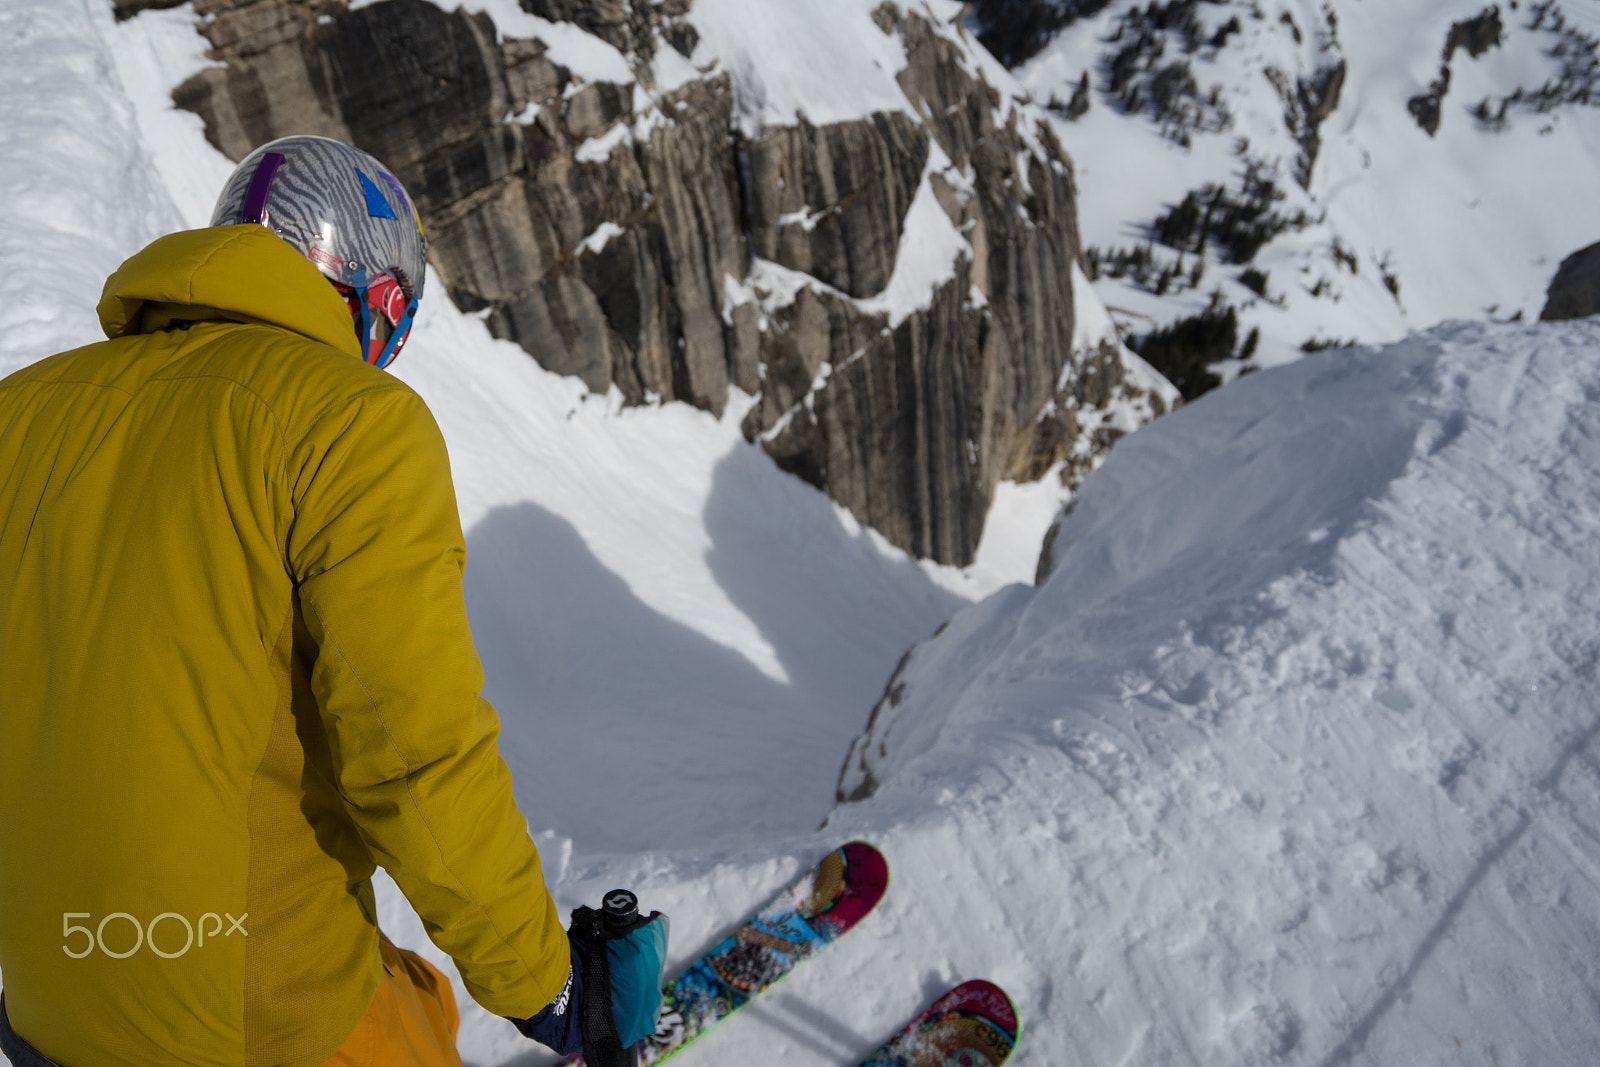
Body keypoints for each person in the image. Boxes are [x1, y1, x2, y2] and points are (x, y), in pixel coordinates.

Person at [0, 136, 664, 1067]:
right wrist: (545, 982)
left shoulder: (20, 409)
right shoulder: (348, 421)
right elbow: (414, 752)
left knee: (413, 992)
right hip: (254, 1017)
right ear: (377, 298)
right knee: (413, 1015)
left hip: (45, 1001)